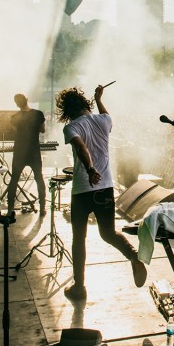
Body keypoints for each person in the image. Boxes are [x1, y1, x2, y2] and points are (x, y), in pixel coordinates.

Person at [56, 85, 147, 300]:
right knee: (108, 233)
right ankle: (134, 257)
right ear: (86, 103)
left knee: (79, 238)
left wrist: (89, 169)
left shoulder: (71, 127)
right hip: (105, 187)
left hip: (83, 189)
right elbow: (105, 113)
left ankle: (79, 288)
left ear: (67, 109)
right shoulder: (104, 121)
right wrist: (98, 98)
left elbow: (81, 148)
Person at [6, 93, 47, 216]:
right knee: (39, 178)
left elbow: (13, 132)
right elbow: (43, 130)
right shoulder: (38, 114)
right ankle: (42, 209)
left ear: (17, 104)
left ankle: (10, 209)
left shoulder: (14, 118)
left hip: (19, 151)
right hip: (33, 151)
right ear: (27, 100)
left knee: (14, 180)